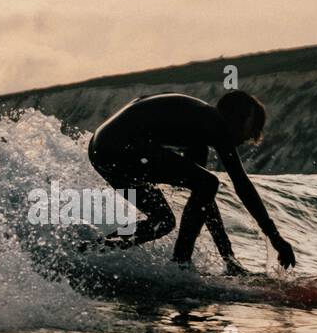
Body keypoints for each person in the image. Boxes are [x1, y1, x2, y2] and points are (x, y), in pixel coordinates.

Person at [86, 90, 296, 273]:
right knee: (207, 183)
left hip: (101, 150)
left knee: (162, 221)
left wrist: (228, 258)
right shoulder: (213, 122)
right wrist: (275, 238)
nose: (245, 140)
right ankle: (181, 263)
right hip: (120, 146)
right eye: (249, 131)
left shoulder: (197, 131)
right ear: (238, 118)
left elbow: (205, 201)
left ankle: (92, 250)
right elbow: (241, 183)